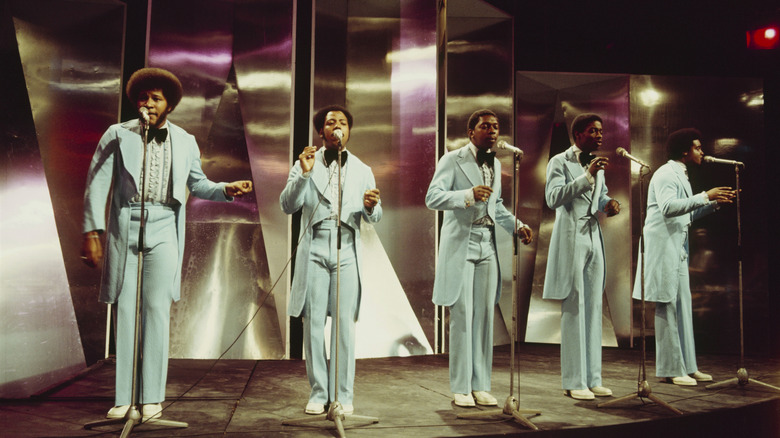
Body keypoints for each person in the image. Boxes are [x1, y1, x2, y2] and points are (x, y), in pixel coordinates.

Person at [81, 67, 253, 421]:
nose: (148, 103)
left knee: (156, 309)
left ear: (169, 105)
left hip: (164, 225)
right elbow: (97, 182)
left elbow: (198, 184)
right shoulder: (118, 134)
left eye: (156, 98)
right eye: (143, 98)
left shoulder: (185, 140)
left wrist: (225, 189)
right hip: (127, 223)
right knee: (126, 309)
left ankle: (151, 398)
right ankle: (125, 397)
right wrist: (92, 231)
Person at [425, 109, 533, 408]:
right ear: (471, 132)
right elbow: (433, 197)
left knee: (484, 316)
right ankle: (461, 387)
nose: (493, 131)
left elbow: (496, 206)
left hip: (488, 243)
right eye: (486, 126)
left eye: (496, 127)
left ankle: (481, 385)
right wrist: (467, 195)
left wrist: (518, 226)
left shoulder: (496, 164)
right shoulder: (452, 159)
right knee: (462, 316)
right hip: (463, 241)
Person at [280, 105, 381, 415]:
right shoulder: (306, 162)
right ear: (321, 131)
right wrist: (304, 174)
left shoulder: (362, 169)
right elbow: (287, 205)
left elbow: (375, 216)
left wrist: (370, 206)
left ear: (348, 130)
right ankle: (319, 392)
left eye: (343, 122)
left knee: (343, 325)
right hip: (315, 245)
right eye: (330, 122)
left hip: (346, 246)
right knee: (313, 323)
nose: (337, 126)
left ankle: (343, 394)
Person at [633, 128, 735, 386]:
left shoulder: (681, 174)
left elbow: (686, 214)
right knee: (667, 306)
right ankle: (670, 369)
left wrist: (714, 203)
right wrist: (705, 195)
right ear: (684, 151)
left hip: (676, 248)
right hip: (662, 248)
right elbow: (668, 208)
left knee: (683, 307)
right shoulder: (666, 173)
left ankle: (688, 366)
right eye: (697, 147)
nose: (702, 152)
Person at [542, 113, 620, 401]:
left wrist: (608, 204)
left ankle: (593, 378)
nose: (599, 136)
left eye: (601, 131)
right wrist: (587, 177)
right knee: (574, 307)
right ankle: (574, 381)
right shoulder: (559, 162)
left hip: (593, 235)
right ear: (578, 135)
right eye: (593, 131)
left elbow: (600, 196)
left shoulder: (597, 164)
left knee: (593, 307)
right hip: (571, 236)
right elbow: (553, 198)